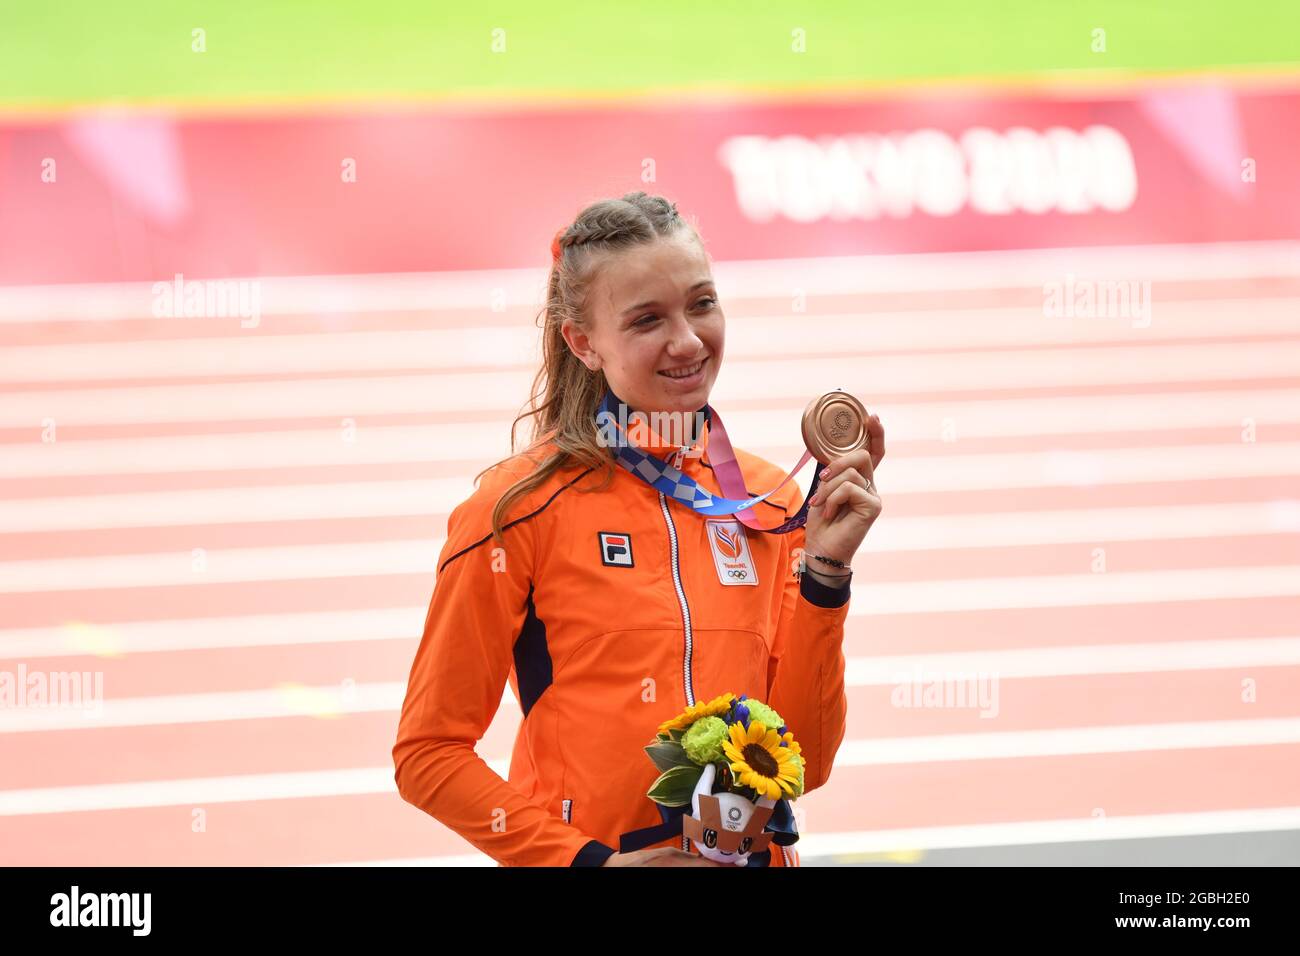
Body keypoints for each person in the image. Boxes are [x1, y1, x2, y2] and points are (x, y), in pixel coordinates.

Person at [392, 191, 884, 867]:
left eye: (702, 303)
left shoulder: (770, 501)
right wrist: (586, 863)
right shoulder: (516, 511)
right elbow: (428, 755)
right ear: (583, 343)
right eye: (647, 319)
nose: (687, 341)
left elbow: (805, 758)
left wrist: (827, 575)